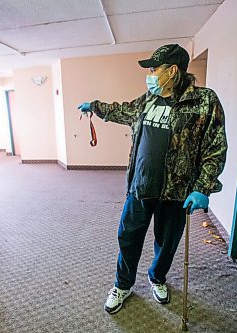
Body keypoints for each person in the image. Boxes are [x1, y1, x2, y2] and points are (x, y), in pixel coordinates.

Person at [78, 44, 228, 314]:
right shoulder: (148, 99)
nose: (149, 74)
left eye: (153, 69)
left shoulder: (205, 101)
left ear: (172, 71)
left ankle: (157, 277)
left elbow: (215, 147)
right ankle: (123, 285)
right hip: (141, 185)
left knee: (167, 241)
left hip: (177, 191)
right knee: (128, 237)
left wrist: (203, 187)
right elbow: (124, 110)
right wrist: (97, 107)